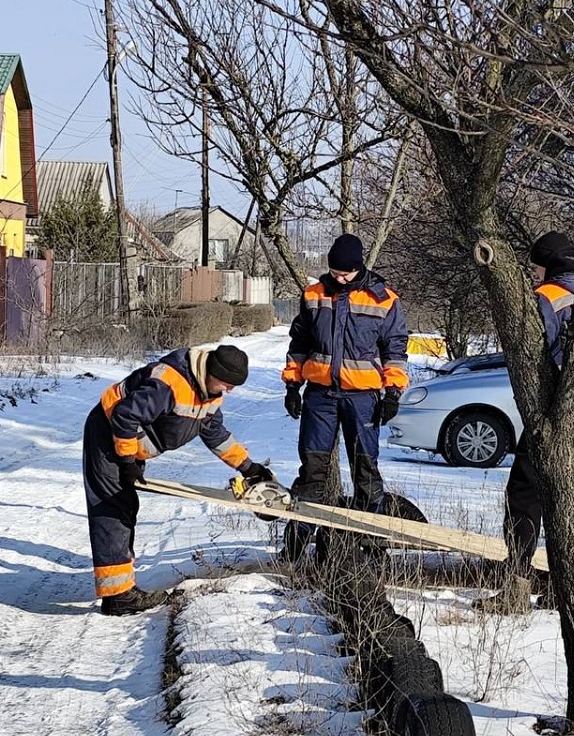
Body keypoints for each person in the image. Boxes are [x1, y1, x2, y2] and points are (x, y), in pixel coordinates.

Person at [475, 231, 574, 614]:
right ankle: (565, 587)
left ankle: (516, 584)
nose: (533, 274)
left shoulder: (549, 297)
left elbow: (533, 354)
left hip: (556, 412)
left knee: (525, 494)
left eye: (536, 268)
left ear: (551, 266)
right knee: (573, 499)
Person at [82, 344, 275, 616]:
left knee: (126, 507)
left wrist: (249, 467)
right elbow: (125, 415)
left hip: (127, 441)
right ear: (212, 372)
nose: (229, 390)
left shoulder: (210, 393)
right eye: (227, 384)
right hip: (108, 432)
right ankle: (118, 596)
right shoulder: (170, 382)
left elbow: (215, 434)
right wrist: (126, 461)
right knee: (113, 507)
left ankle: (119, 587)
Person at [282, 233, 410, 518]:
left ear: (358, 267)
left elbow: (395, 349)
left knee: (365, 468)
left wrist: (392, 392)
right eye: (334, 272)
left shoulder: (384, 300)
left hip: (362, 397)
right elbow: (299, 343)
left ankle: (369, 535)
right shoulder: (313, 295)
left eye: (345, 274)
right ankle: (300, 534)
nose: (339, 279)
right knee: (312, 468)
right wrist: (292, 385)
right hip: (320, 395)